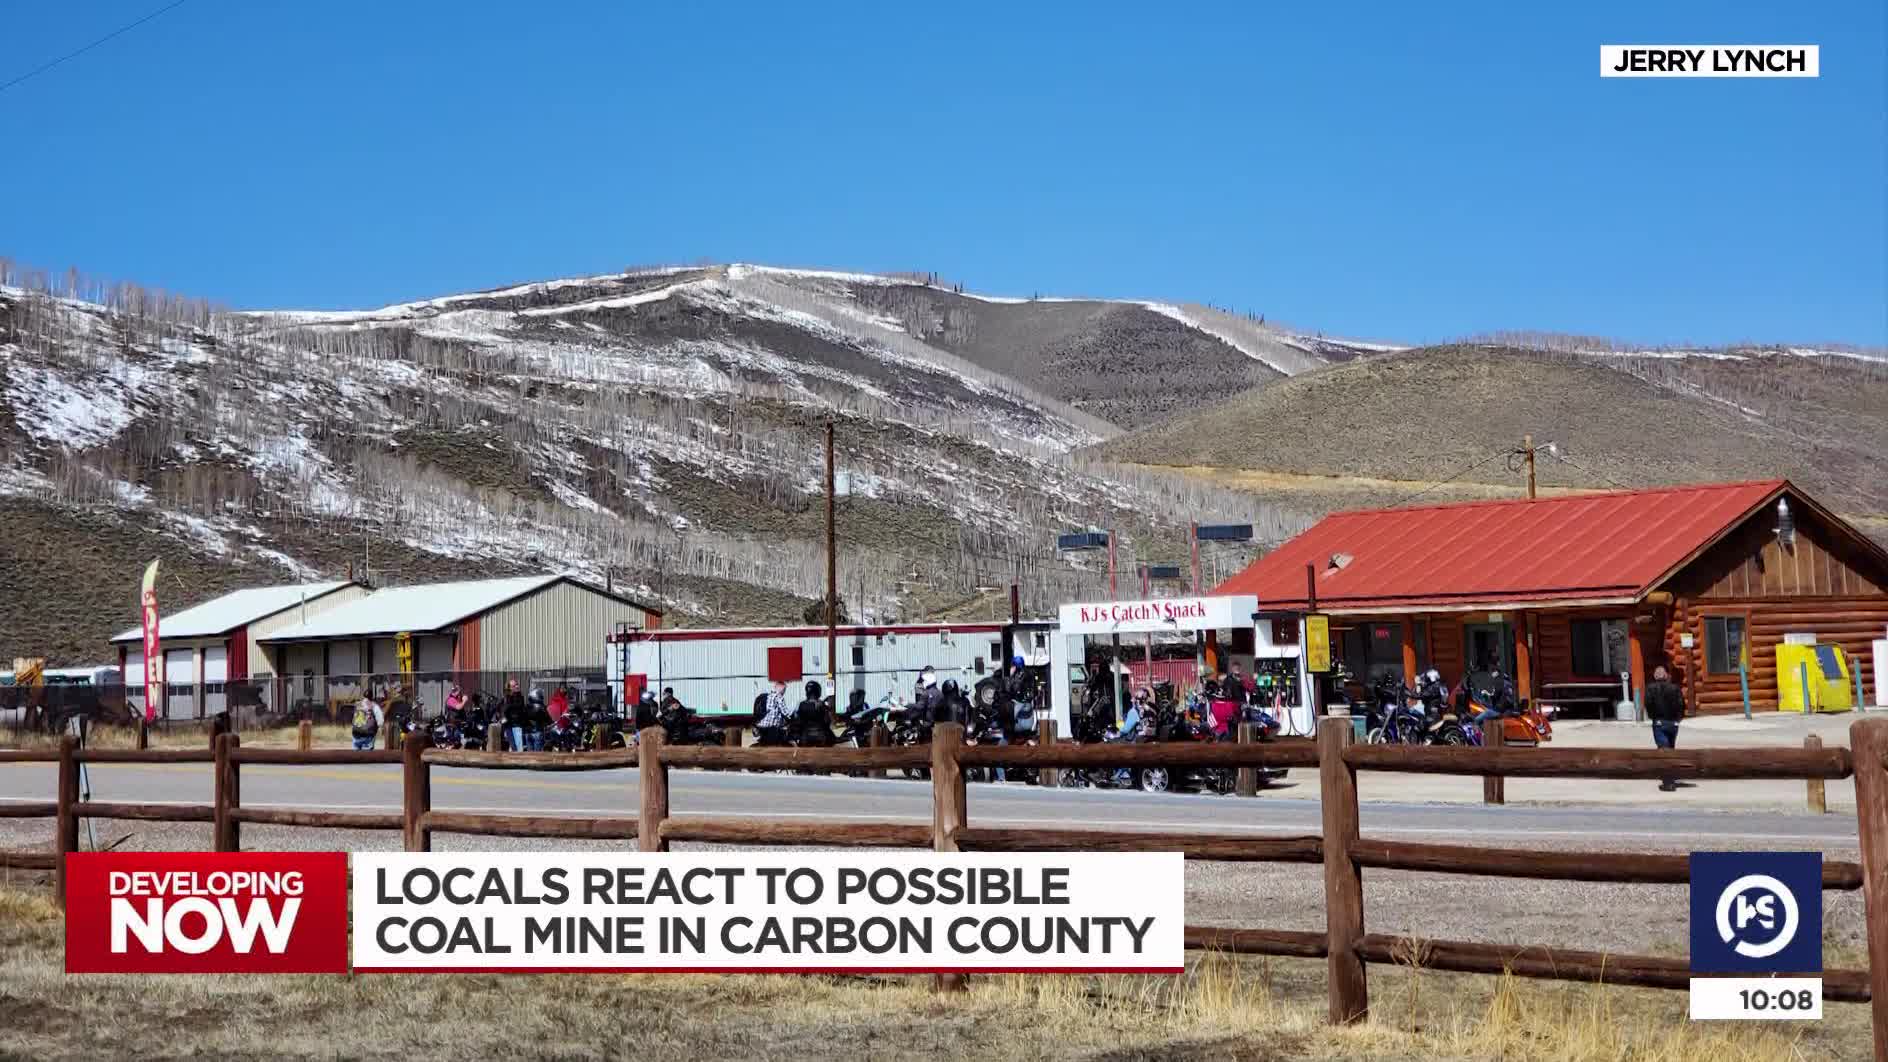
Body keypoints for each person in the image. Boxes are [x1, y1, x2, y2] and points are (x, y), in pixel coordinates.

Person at [1644, 664, 1687, 791]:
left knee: (1664, 751)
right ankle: (1670, 777)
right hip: (1673, 723)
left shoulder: (1650, 688)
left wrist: (1653, 717)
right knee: (1671, 749)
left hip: (1659, 722)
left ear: (1655, 676)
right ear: (1666, 676)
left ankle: (1668, 782)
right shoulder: (1675, 688)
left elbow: (1648, 704)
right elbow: (1681, 704)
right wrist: (1678, 719)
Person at [756, 680, 790, 746]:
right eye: (784, 690)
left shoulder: (768, 696)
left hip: (761, 725)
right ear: (782, 689)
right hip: (772, 727)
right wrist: (792, 717)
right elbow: (786, 713)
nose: (784, 692)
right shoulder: (779, 697)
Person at [502, 679, 529, 752]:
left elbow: (520, 709)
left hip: (517, 725)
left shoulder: (519, 697)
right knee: (515, 748)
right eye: (514, 686)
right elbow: (504, 710)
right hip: (510, 726)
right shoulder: (507, 698)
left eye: (517, 684)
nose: (517, 686)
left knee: (517, 748)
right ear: (510, 688)